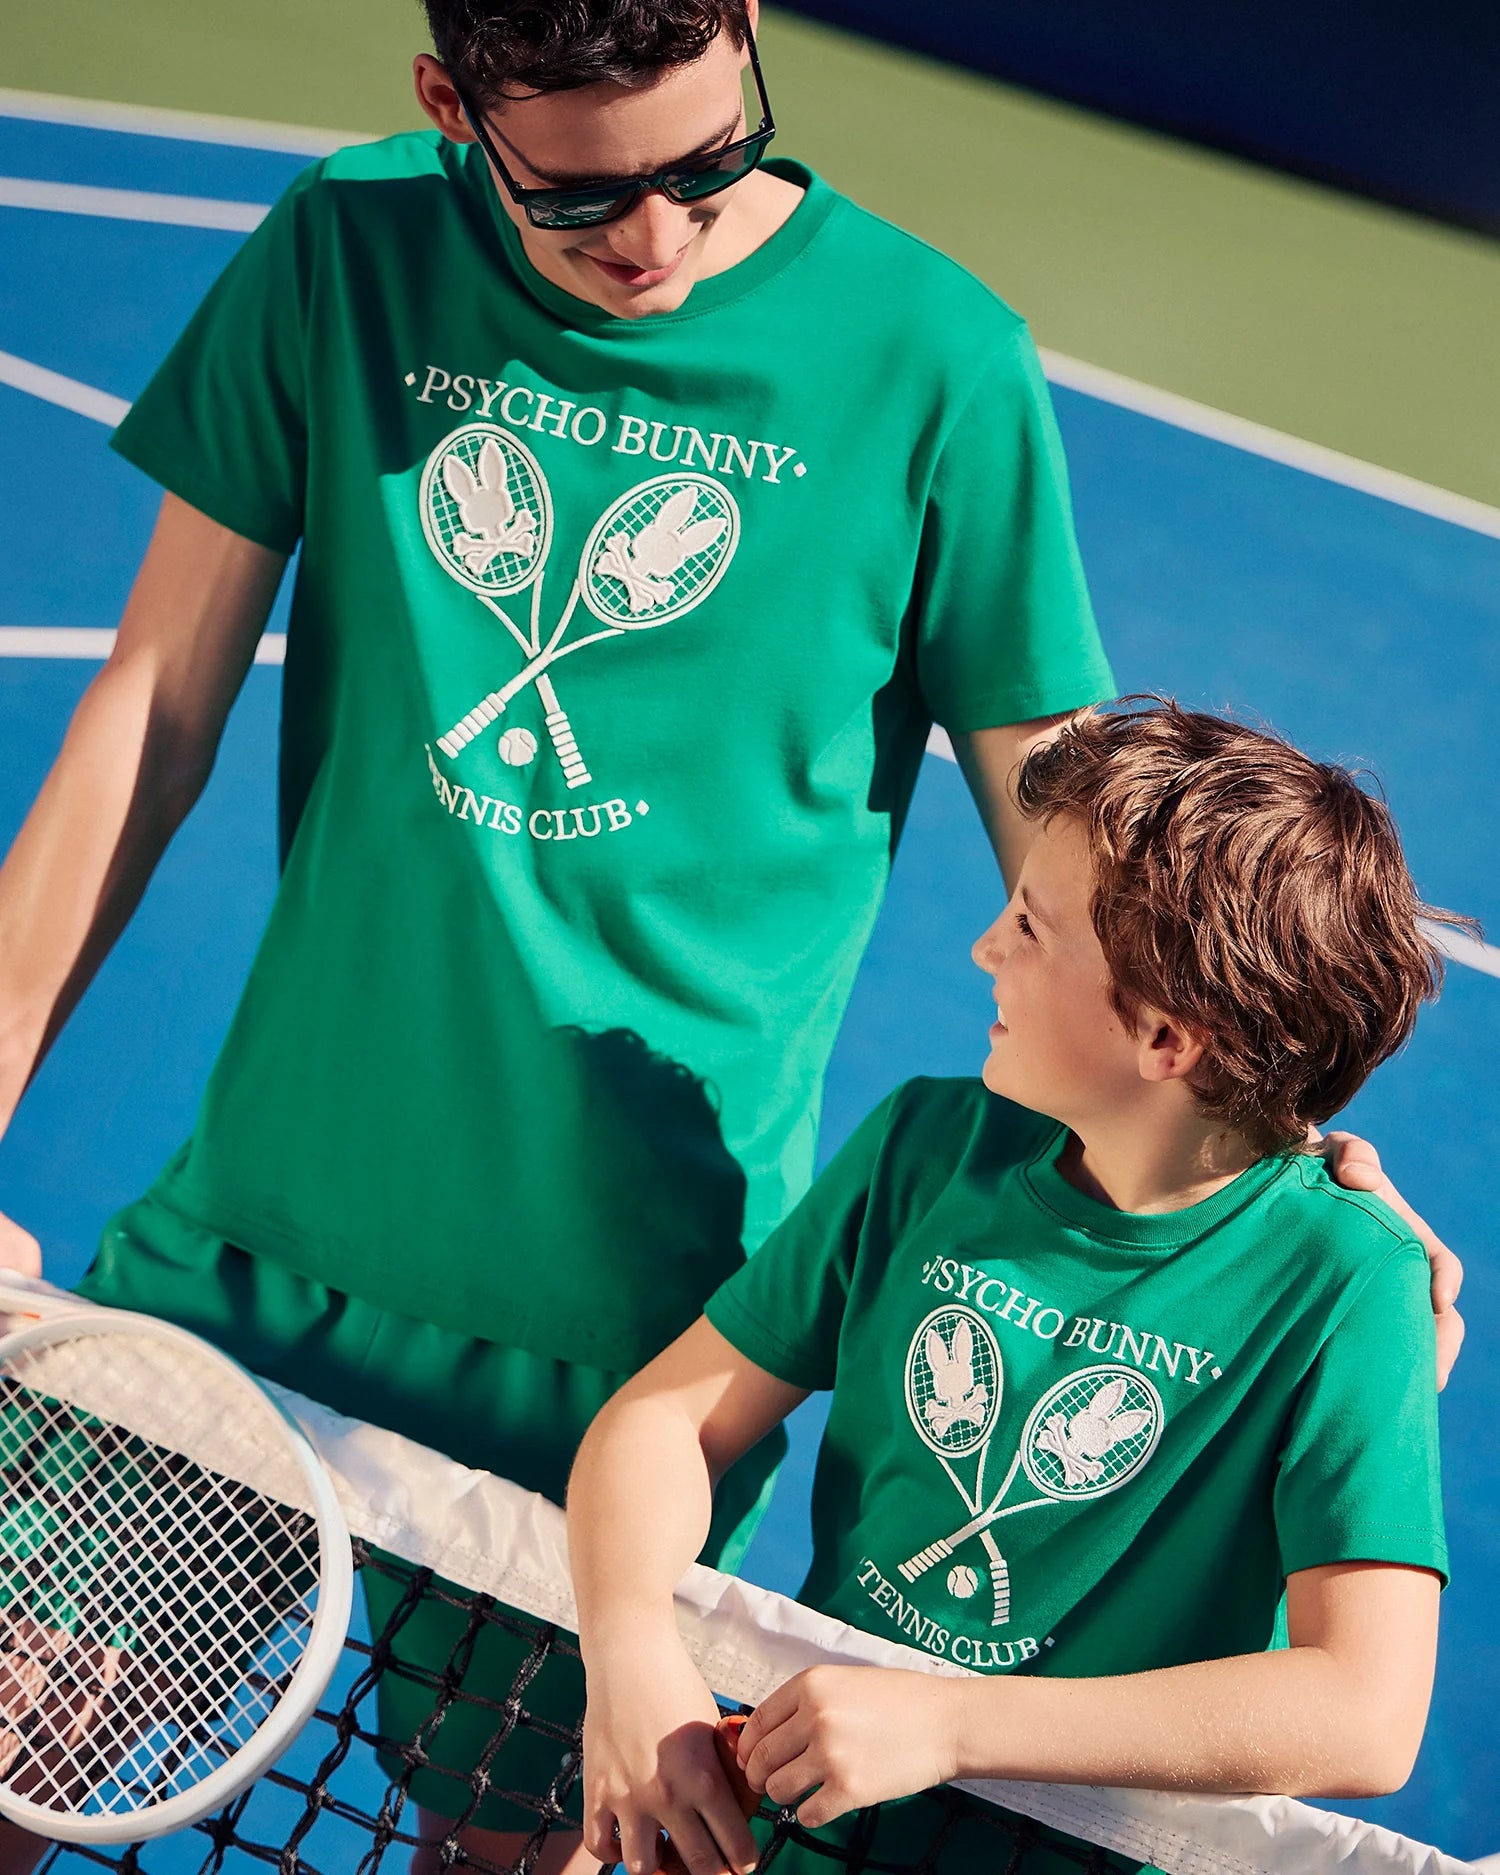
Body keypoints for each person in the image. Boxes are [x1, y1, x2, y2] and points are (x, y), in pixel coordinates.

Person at [0, 2, 1461, 1869]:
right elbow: (150, 708)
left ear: (752, 32)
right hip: (253, 1251)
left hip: (629, 1355)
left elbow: (1113, 895)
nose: (661, 235)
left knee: (514, 1853)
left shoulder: (933, 367)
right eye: (586, 193)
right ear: (452, 104)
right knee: (12, 1743)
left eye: (707, 159)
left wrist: (1301, 1158)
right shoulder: (348, 251)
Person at [568, 699, 1454, 1875]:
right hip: (800, 1819)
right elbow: (665, 1418)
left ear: (1166, 1040)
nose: (987, 946)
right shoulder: (930, 1146)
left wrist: (950, 1723)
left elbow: (1363, 1714)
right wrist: (628, 1651)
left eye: (1031, 929)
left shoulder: (1346, 1282)